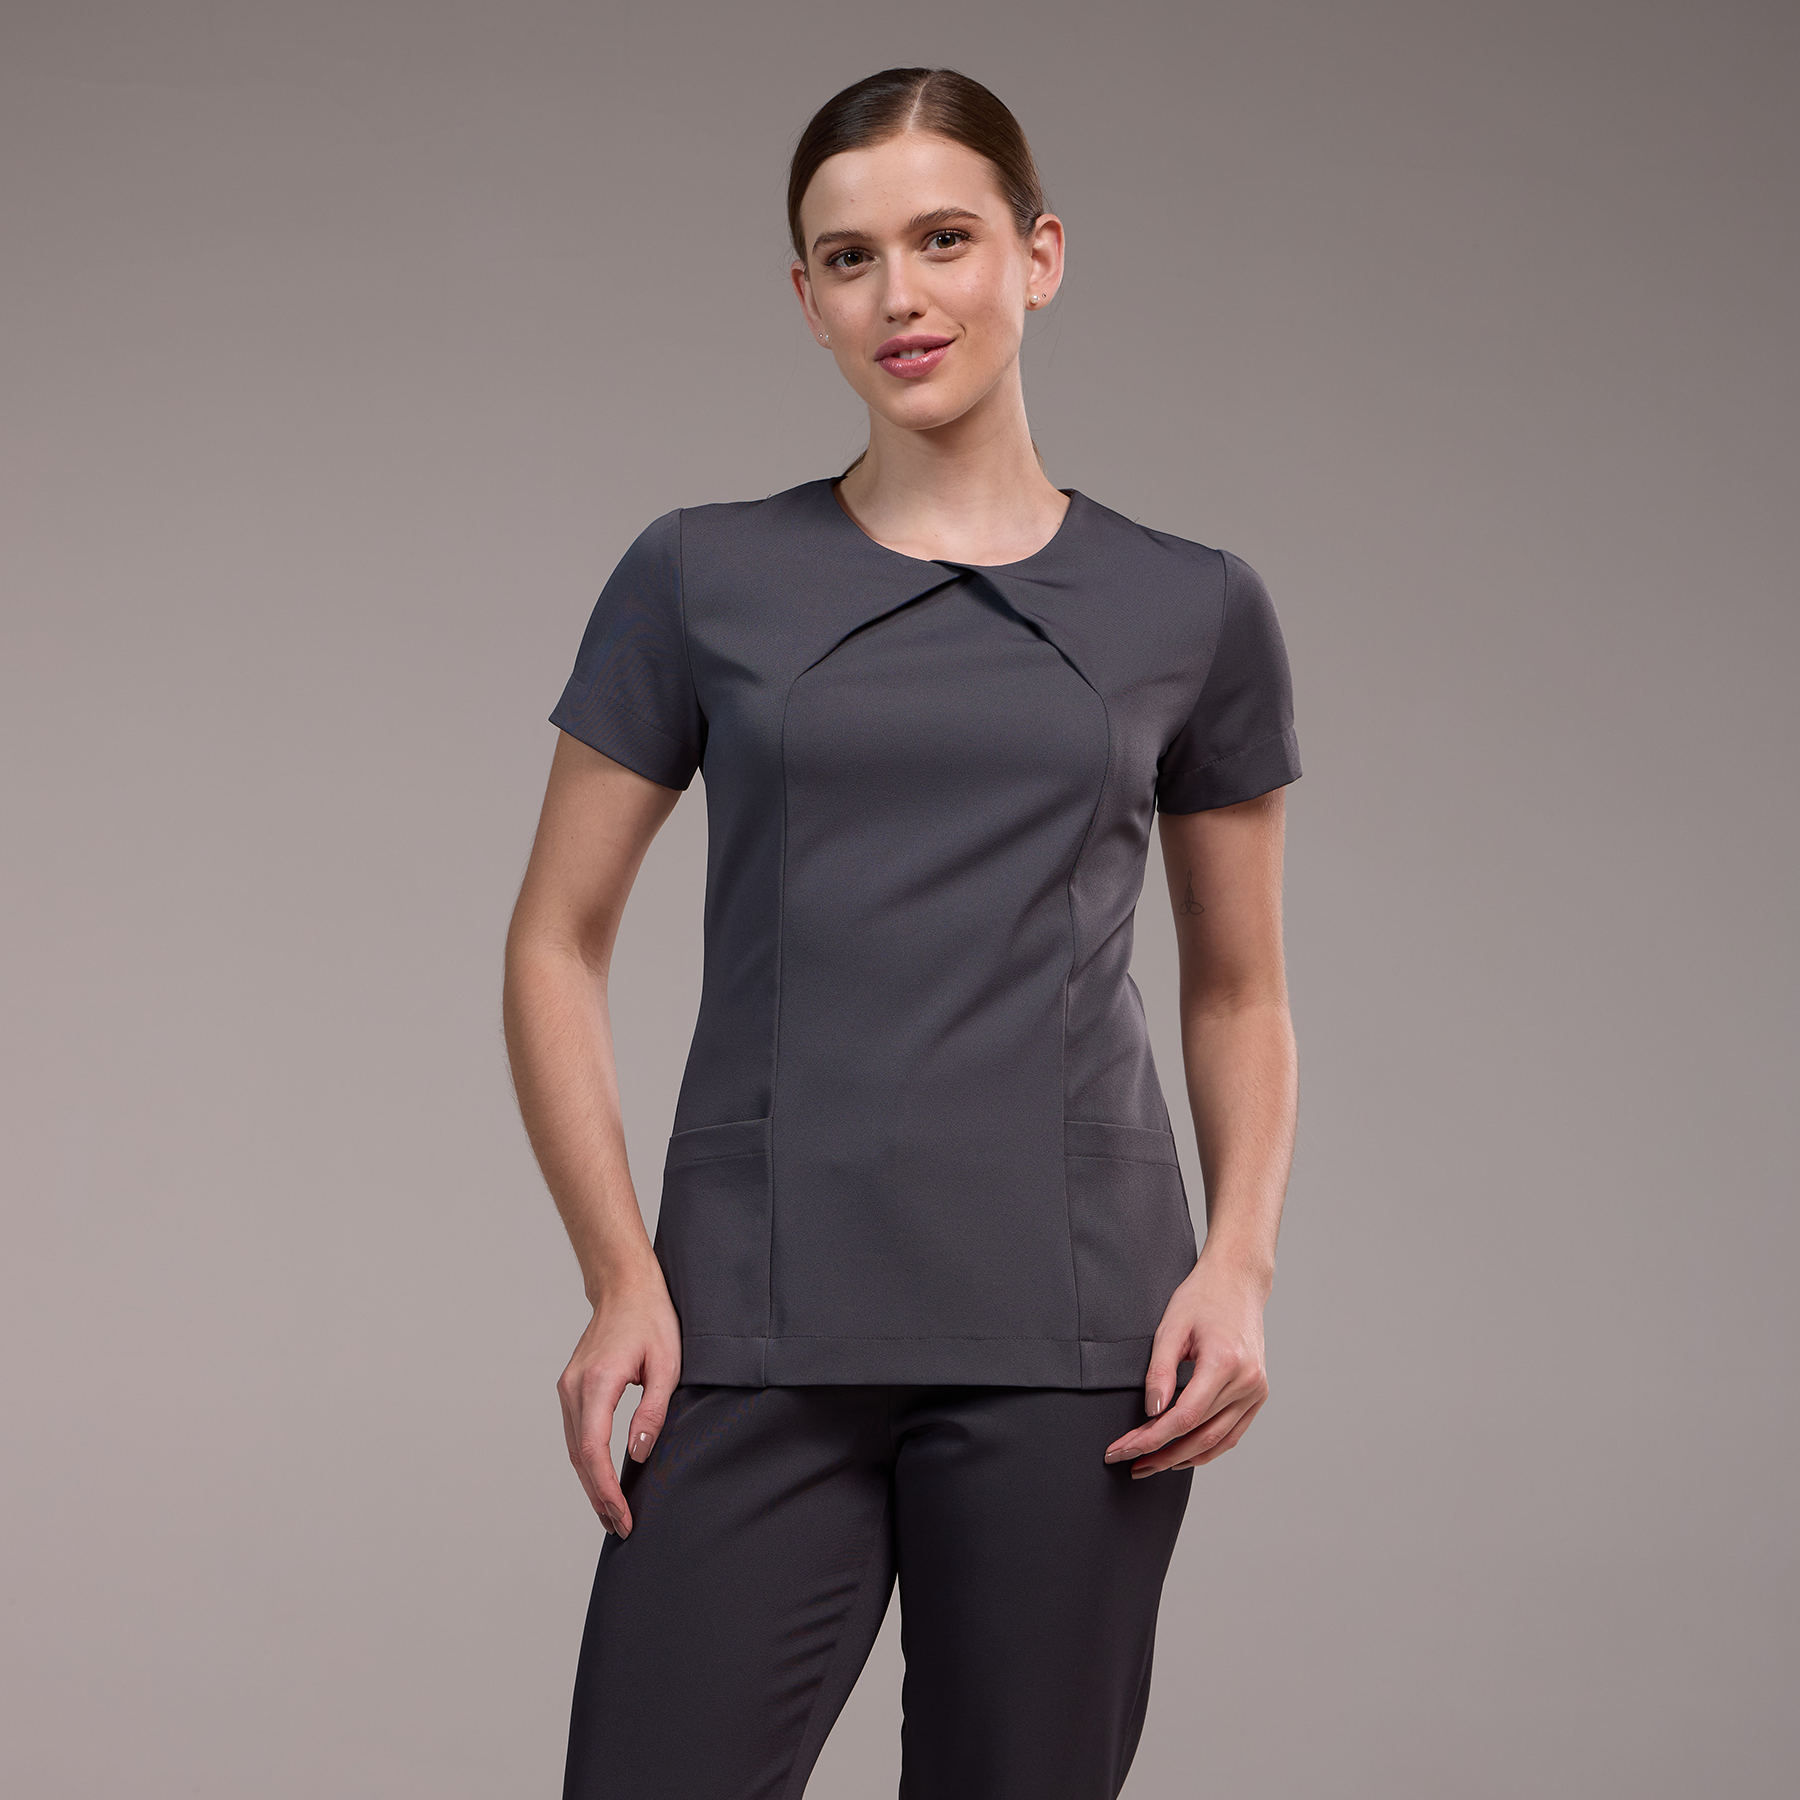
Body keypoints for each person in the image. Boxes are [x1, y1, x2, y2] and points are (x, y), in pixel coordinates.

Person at [502, 65, 1301, 1800]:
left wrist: (1237, 1265)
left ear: (1039, 256)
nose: (900, 296)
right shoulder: (699, 576)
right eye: (850, 258)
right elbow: (554, 940)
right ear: (806, 298)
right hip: (749, 1315)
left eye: (945, 240)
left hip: (1076, 1334)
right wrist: (620, 1275)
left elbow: (1239, 988)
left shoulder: (1191, 605)